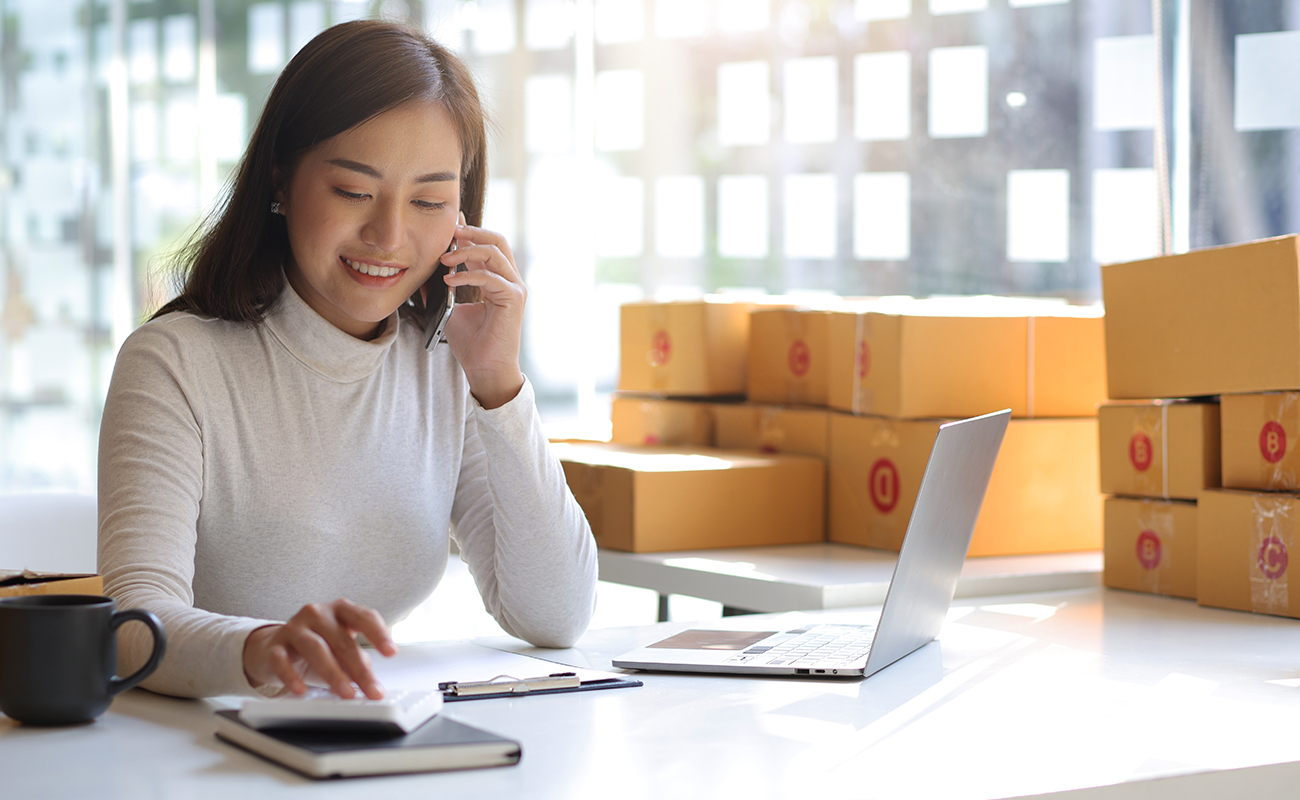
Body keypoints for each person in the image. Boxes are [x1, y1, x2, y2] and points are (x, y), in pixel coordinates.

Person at [97, 20, 598, 700]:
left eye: (428, 201)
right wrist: (261, 649)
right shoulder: (175, 363)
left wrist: (498, 386)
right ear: (281, 178)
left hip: (370, 743)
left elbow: (556, 616)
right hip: (204, 748)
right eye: (354, 191)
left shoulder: (442, 365)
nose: (389, 236)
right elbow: (133, 626)